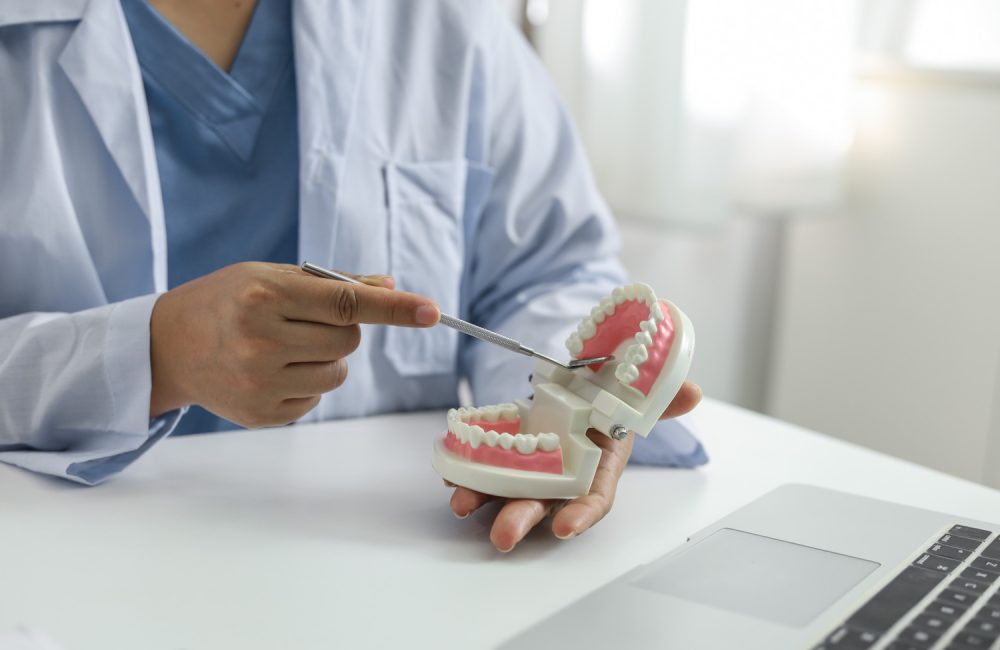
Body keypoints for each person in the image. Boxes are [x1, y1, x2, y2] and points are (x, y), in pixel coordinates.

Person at [0, 0, 702, 552]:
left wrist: (571, 408)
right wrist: (153, 355)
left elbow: (547, 272)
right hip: (65, 569)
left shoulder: (444, 21)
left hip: (385, 555)